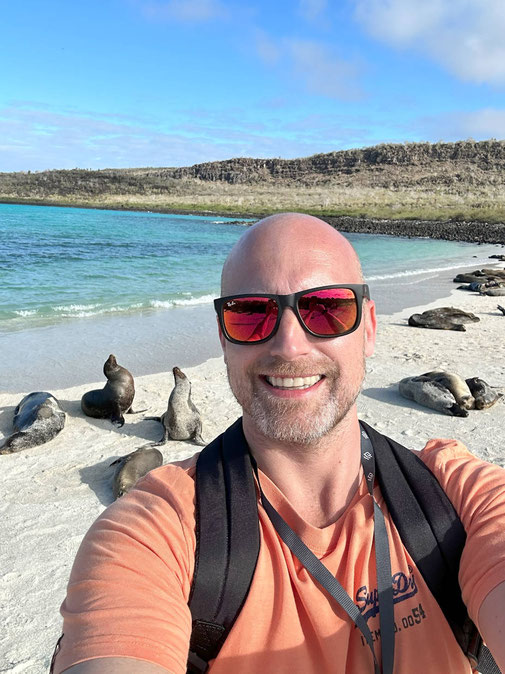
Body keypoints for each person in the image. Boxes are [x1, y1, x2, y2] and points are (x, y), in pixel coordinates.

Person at [52, 213, 505, 673]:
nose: (290, 345)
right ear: (223, 338)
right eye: (250, 313)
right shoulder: (156, 533)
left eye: (326, 308)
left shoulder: (459, 497)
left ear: (368, 328)